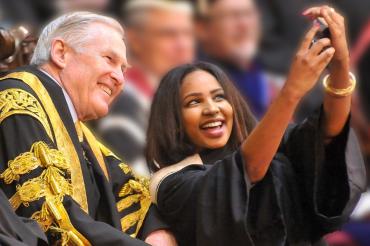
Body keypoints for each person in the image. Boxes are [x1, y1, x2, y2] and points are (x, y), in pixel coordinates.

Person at [147, 6, 366, 245]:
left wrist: (340, 65)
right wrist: (292, 91)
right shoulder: (171, 182)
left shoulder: (273, 148)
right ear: (172, 121)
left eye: (219, 97)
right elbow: (245, 171)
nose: (212, 108)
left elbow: (327, 136)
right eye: (194, 102)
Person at [0, 12, 175, 245]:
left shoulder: (76, 127)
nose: (120, 78)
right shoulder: (17, 97)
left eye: (123, 69)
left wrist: (157, 230)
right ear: (61, 53)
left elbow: (128, 190)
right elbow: (50, 214)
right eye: (109, 60)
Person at [92, 0, 194, 174]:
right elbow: (133, 183)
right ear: (135, 40)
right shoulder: (121, 101)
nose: (183, 45)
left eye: (187, 34)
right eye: (168, 34)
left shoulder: (180, 94)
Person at [195, 0, 272, 118]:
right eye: (232, 16)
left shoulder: (272, 79)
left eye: (248, 14)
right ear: (203, 28)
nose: (244, 25)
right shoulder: (197, 82)